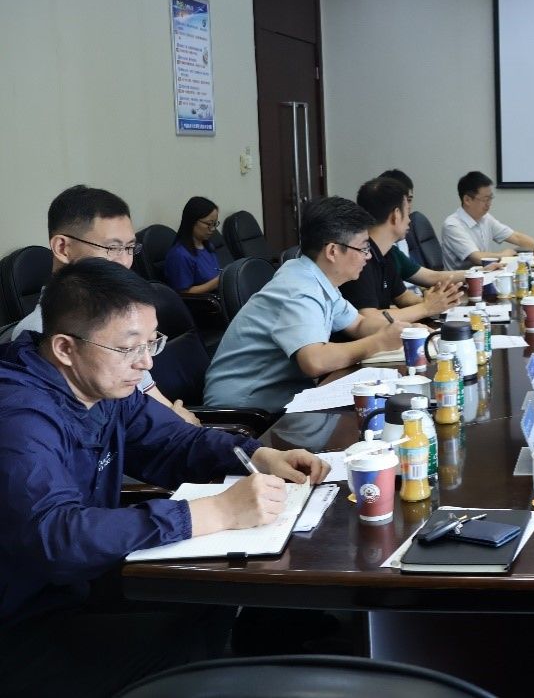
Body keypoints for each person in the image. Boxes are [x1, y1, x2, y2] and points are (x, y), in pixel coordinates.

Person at [0, 258, 330, 696]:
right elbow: (57, 536)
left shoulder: (102, 386)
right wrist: (212, 513)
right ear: (65, 348)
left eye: (151, 344)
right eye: (128, 348)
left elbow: (174, 441)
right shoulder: (19, 417)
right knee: (184, 651)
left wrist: (260, 455)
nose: (145, 365)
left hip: (77, 584)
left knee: (211, 596)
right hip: (21, 618)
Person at [11, 185, 200, 426]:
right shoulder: (39, 333)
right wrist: (177, 424)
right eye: (113, 248)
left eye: (129, 248)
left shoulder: (122, 315)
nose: (125, 262)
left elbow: (149, 396)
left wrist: (179, 421)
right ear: (62, 248)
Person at [203, 196, 410, 413]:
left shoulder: (317, 277)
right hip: (245, 407)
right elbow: (315, 361)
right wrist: (379, 342)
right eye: (363, 248)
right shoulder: (299, 289)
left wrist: (405, 331)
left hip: (280, 395)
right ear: (332, 251)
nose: (367, 257)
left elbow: (358, 324)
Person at [342, 176, 462, 321]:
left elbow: (402, 297)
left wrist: (436, 303)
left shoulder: (387, 253)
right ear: (396, 215)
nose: (410, 220)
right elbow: (367, 317)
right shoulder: (359, 257)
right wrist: (425, 308)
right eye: (407, 211)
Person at [378, 168, 483, 287]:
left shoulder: (396, 246)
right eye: (405, 201)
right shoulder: (373, 253)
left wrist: (482, 272)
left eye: (410, 200)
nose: (408, 207)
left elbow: (429, 277)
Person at [440, 170, 534, 270]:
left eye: (490, 198)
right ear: (467, 200)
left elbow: (516, 237)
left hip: (486, 273)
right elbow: (477, 257)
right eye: (485, 199)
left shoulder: (485, 218)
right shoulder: (452, 226)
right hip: (463, 278)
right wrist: (503, 255)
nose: (489, 204)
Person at [164, 196, 222, 295]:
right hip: (202, 302)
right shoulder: (179, 255)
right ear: (192, 221)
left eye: (215, 224)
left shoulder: (208, 246)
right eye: (209, 224)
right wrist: (217, 282)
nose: (212, 229)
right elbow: (183, 293)